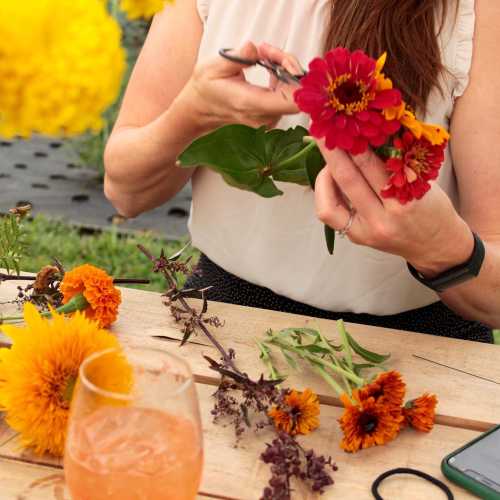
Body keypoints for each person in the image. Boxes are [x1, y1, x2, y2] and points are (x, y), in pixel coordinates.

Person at [104, 0, 500, 343]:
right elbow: (126, 190)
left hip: (422, 343)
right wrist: (193, 115)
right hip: (222, 317)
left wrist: (443, 249)